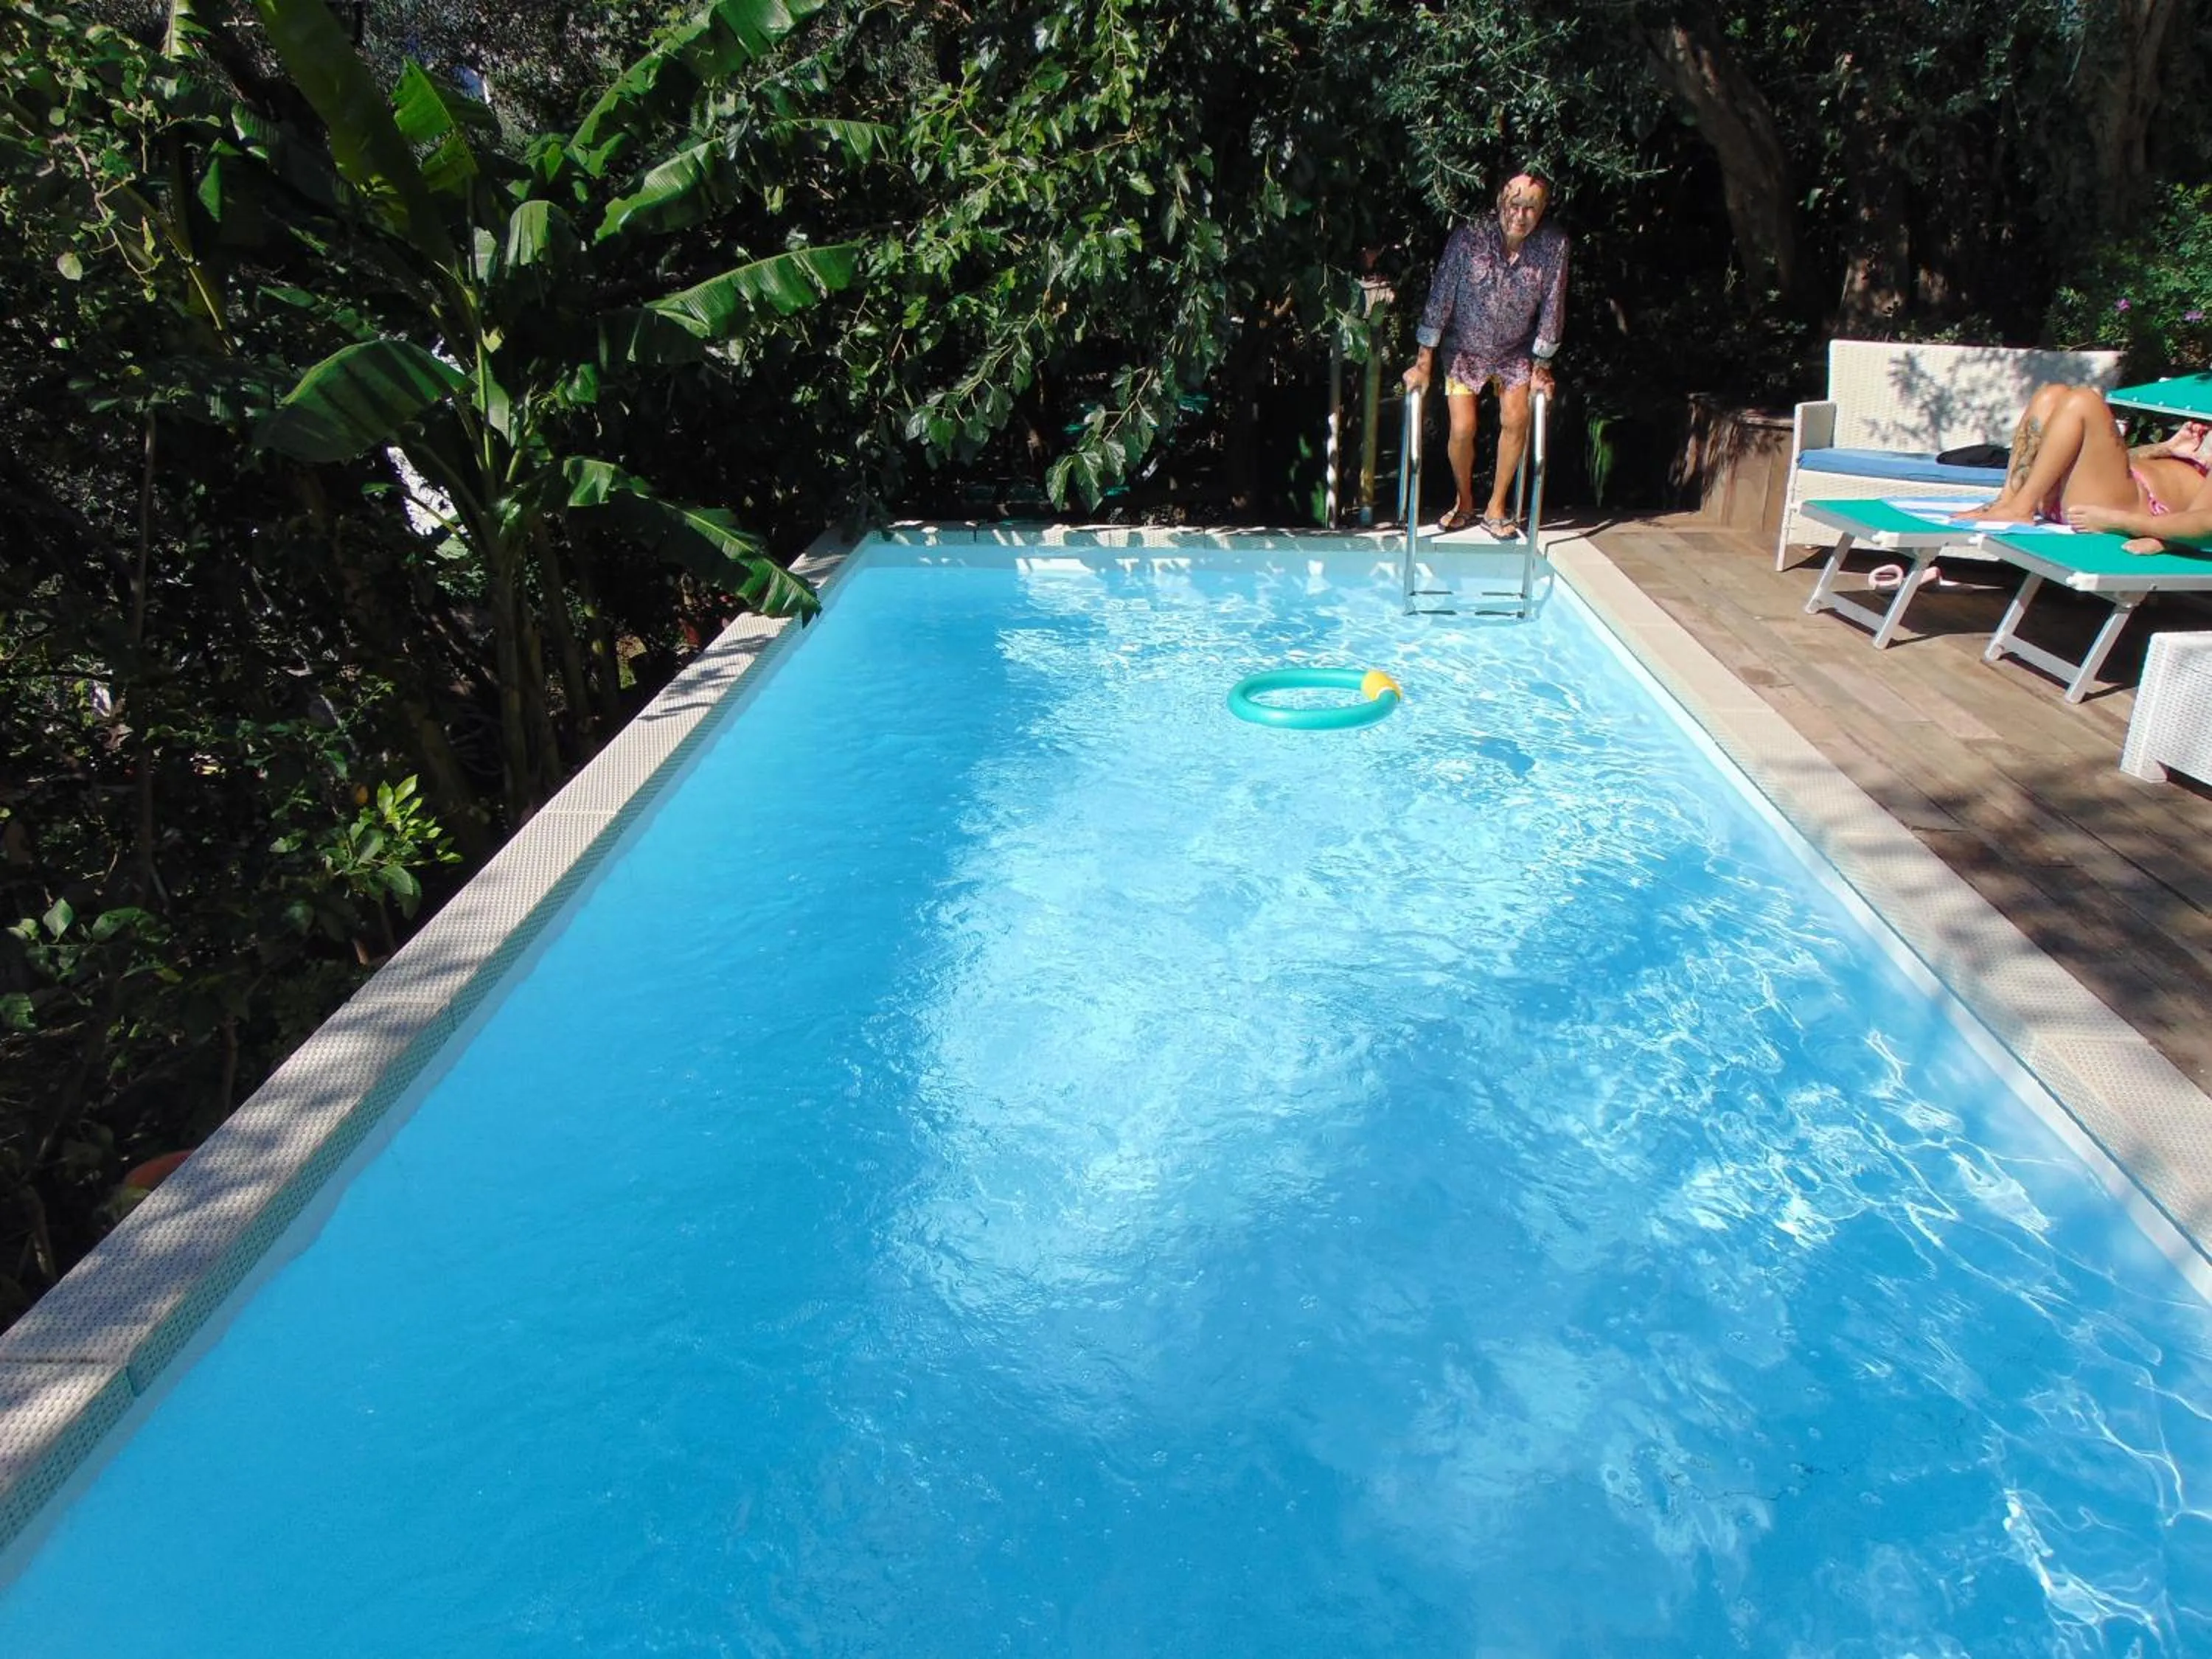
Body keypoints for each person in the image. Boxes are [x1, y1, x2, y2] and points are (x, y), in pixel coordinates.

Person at [1402, 171, 1569, 538]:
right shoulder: (1469, 238)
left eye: (1531, 207)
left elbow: (1553, 306)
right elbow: (1441, 296)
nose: (1521, 215)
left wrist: (1542, 366)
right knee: (1462, 428)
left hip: (1515, 351)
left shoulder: (1553, 245)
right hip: (1464, 348)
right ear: (1499, 203)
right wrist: (1423, 361)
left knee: (1516, 418)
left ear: (1542, 211)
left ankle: (1497, 506)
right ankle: (1464, 502)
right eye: (1515, 204)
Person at [1957, 381, 2212, 552]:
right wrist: (2166, 448)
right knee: (2053, 394)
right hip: (2080, 496)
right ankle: (2010, 501)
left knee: (2083, 400)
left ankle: (2020, 507)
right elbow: (2113, 463)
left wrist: (2144, 531)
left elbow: (2204, 525)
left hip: (2119, 510)